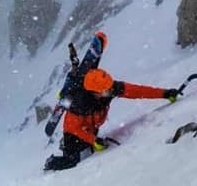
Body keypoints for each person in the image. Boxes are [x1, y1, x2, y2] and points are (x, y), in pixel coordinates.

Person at [44, 65, 179, 171]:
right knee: (73, 161)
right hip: (74, 132)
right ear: (94, 92)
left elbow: (137, 91)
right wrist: (92, 140)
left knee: (91, 150)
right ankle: (51, 163)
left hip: (91, 126)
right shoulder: (79, 104)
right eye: (106, 89)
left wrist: (164, 94)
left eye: (109, 87)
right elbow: (72, 127)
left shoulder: (109, 88)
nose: (110, 91)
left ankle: (88, 143)